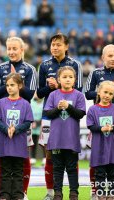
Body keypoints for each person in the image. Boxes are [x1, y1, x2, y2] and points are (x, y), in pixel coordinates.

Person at [0, 36, 37, 200]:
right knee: (0, 157)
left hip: (22, 120)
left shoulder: (30, 69)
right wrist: (8, 82)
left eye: (14, 48)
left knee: (23, 159)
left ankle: (21, 192)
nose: (11, 51)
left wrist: (16, 81)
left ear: (22, 50)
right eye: (9, 48)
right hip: (3, 120)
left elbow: (31, 94)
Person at [36, 33, 82, 200]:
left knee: (70, 155)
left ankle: (73, 191)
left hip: (69, 117)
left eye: (58, 44)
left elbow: (80, 90)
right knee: (49, 154)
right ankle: (51, 191)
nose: (55, 47)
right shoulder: (44, 65)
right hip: (49, 116)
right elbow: (39, 94)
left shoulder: (75, 64)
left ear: (66, 46)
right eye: (53, 44)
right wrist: (51, 88)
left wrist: (61, 86)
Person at [84, 44, 114, 200]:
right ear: (103, 57)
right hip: (99, 123)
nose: (113, 59)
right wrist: (101, 89)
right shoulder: (95, 73)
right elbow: (87, 94)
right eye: (110, 56)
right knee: (97, 157)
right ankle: (96, 191)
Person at [44, 66, 86, 200]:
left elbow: (80, 114)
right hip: (56, 139)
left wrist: (68, 107)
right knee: (57, 168)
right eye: (64, 77)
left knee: (72, 168)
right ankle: (58, 193)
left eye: (70, 77)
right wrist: (58, 108)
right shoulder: (53, 95)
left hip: (71, 139)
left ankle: (74, 193)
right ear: (59, 80)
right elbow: (48, 114)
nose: (67, 79)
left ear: (75, 80)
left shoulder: (79, 95)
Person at [0, 73, 33, 200]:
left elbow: (27, 122)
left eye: (12, 85)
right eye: (7, 85)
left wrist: (15, 129)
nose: (9, 88)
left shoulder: (25, 104)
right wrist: (6, 129)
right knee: (4, 171)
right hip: (5, 142)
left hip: (19, 143)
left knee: (18, 171)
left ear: (20, 86)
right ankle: (4, 195)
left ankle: (17, 195)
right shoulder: (1, 102)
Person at [86, 81, 114, 200]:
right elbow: (91, 126)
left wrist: (111, 127)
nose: (107, 95)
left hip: (112, 145)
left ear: (113, 96)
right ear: (99, 92)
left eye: (110, 93)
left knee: (113, 173)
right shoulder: (92, 109)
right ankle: (101, 195)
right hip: (98, 146)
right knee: (100, 173)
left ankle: (112, 195)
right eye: (105, 92)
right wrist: (101, 128)